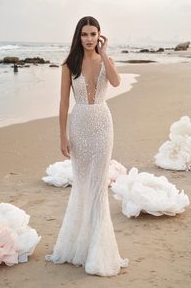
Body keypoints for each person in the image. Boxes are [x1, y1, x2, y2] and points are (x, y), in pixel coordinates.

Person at [45, 16, 129, 276]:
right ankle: (79, 247)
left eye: (93, 34)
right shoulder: (69, 65)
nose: (89, 39)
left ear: (100, 36)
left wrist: (105, 55)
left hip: (103, 125)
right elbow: (62, 104)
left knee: (98, 187)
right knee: (82, 185)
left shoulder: (105, 60)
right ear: (78, 37)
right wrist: (62, 136)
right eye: (85, 34)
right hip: (79, 125)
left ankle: (98, 250)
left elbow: (115, 82)